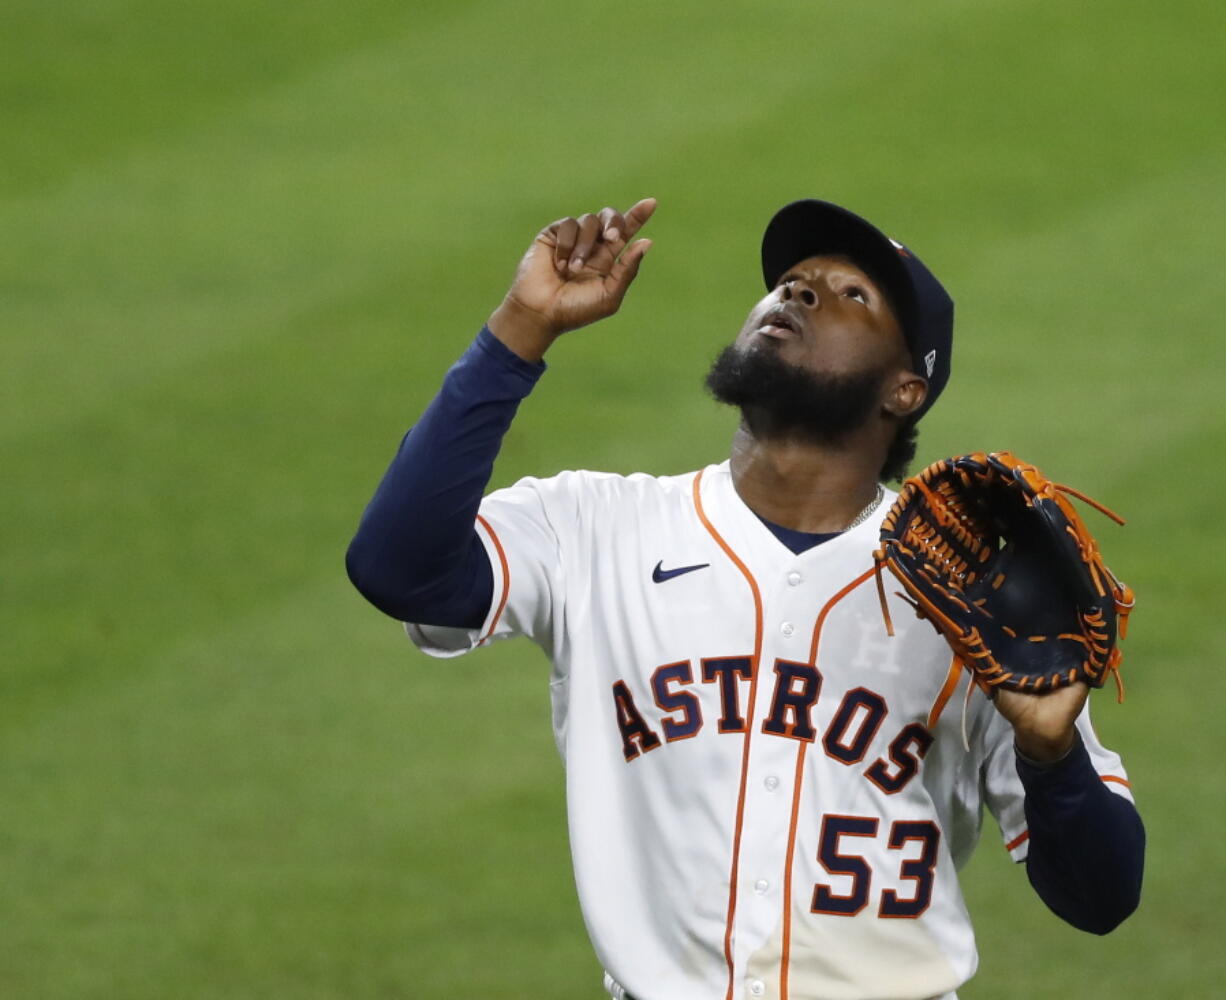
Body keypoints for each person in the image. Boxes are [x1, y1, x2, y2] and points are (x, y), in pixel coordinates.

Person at [345, 198, 1144, 1000]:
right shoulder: (597, 526)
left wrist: (1052, 752)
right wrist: (520, 328)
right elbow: (398, 569)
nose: (796, 295)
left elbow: (1102, 897)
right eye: (792, 282)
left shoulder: (969, 595)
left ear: (905, 390)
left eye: (849, 295)